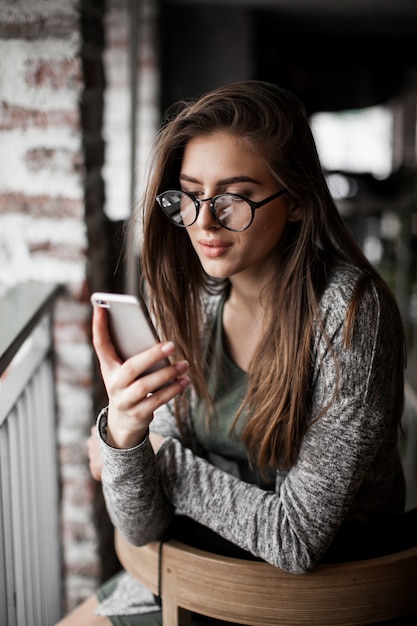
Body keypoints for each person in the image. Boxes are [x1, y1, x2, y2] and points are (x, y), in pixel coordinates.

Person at [57, 80, 407, 625]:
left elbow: (296, 538)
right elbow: (143, 527)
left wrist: (158, 458)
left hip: (325, 597)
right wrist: (125, 432)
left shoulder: (352, 314)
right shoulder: (191, 298)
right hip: (206, 568)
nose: (204, 222)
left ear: (294, 201)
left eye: (233, 197)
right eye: (190, 195)